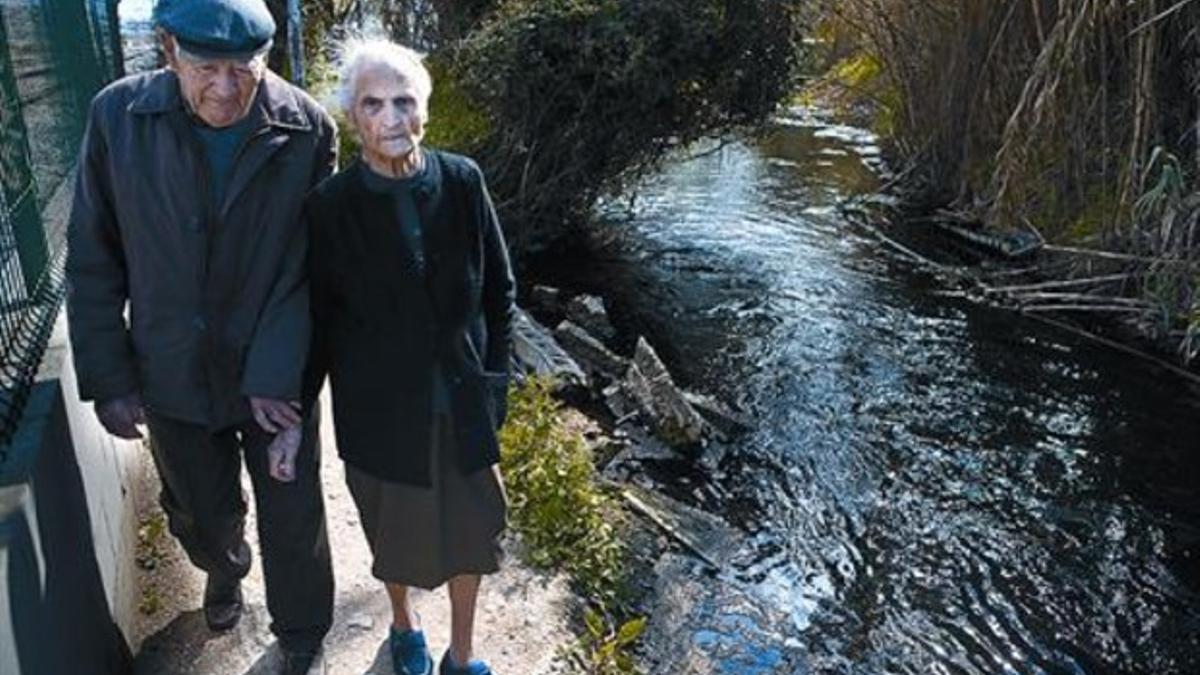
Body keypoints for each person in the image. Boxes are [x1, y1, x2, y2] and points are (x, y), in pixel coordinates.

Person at [65, 0, 336, 671]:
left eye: (242, 69)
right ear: (168, 53)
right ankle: (224, 563)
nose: (225, 87)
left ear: (265, 61)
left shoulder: (307, 129)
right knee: (200, 513)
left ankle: (302, 632)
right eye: (206, 67)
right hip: (172, 368)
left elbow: (311, 265)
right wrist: (113, 376)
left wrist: (278, 373)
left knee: (294, 508)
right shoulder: (117, 116)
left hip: (277, 369)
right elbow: (93, 253)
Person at [300, 39, 515, 675]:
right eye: (373, 104)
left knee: (475, 535)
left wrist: (496, 382)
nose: (392, 117)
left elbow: (500, 291)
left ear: (424, 108)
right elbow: (317, 321)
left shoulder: (462, 180)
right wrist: (292, 412)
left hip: (463, 400)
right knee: (394, 536)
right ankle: (403, 625)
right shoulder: (329, 209)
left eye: (404, 101)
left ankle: (464, 652)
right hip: (380, 414)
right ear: (352, 117)